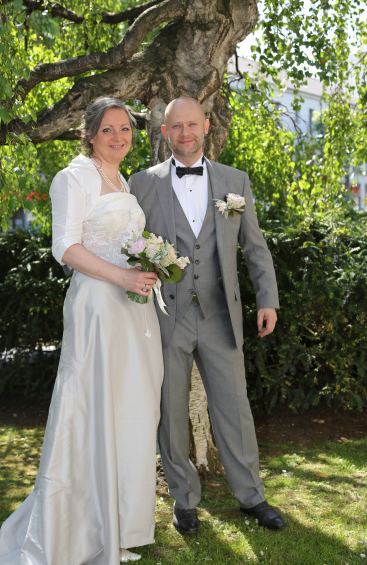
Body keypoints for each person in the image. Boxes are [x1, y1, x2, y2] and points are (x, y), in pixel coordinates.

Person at [0, 97, 164, 565]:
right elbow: (65, 246)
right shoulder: (72, 177)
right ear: (90, 134)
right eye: (108, 129)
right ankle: (72, 533)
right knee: (91, 411)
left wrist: (150, 266)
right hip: (98, 306)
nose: (118, 137)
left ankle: (111, 527)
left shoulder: (123, 181)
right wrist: (122, 277)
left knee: (127, 412)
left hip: (132, 310)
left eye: (125, 128)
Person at [129, 96, 285, 534]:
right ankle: (184, 500)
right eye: (176, 126)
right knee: (171, 412)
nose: (185, 133)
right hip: (167, 317)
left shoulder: (235, 181)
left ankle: (252, 497)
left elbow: (255, 247)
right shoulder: (140, 184)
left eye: (192, 124)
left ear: (206, 126)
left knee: (235, 409)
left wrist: (267, 300)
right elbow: (128, 246)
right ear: (165, 132)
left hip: (220, 315)